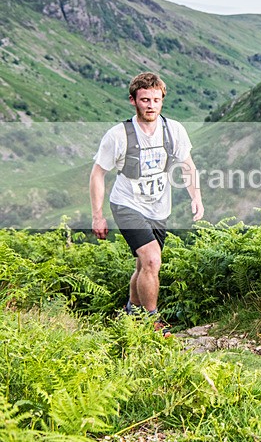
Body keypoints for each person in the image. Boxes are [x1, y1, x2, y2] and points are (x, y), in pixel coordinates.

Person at [90, 72, 203, 334]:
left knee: (143, 265)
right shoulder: (118, 135)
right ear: (133, 101)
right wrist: (98, 215)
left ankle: (131, 312)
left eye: (156, 99)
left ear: (162, 100)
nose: (151, 105)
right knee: (152, 260)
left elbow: (187, 166)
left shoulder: (173, 130)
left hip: (159, 207)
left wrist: (196, 197)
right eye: (144, 100)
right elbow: (98, 173)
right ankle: (152, 323)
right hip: (127, 204)